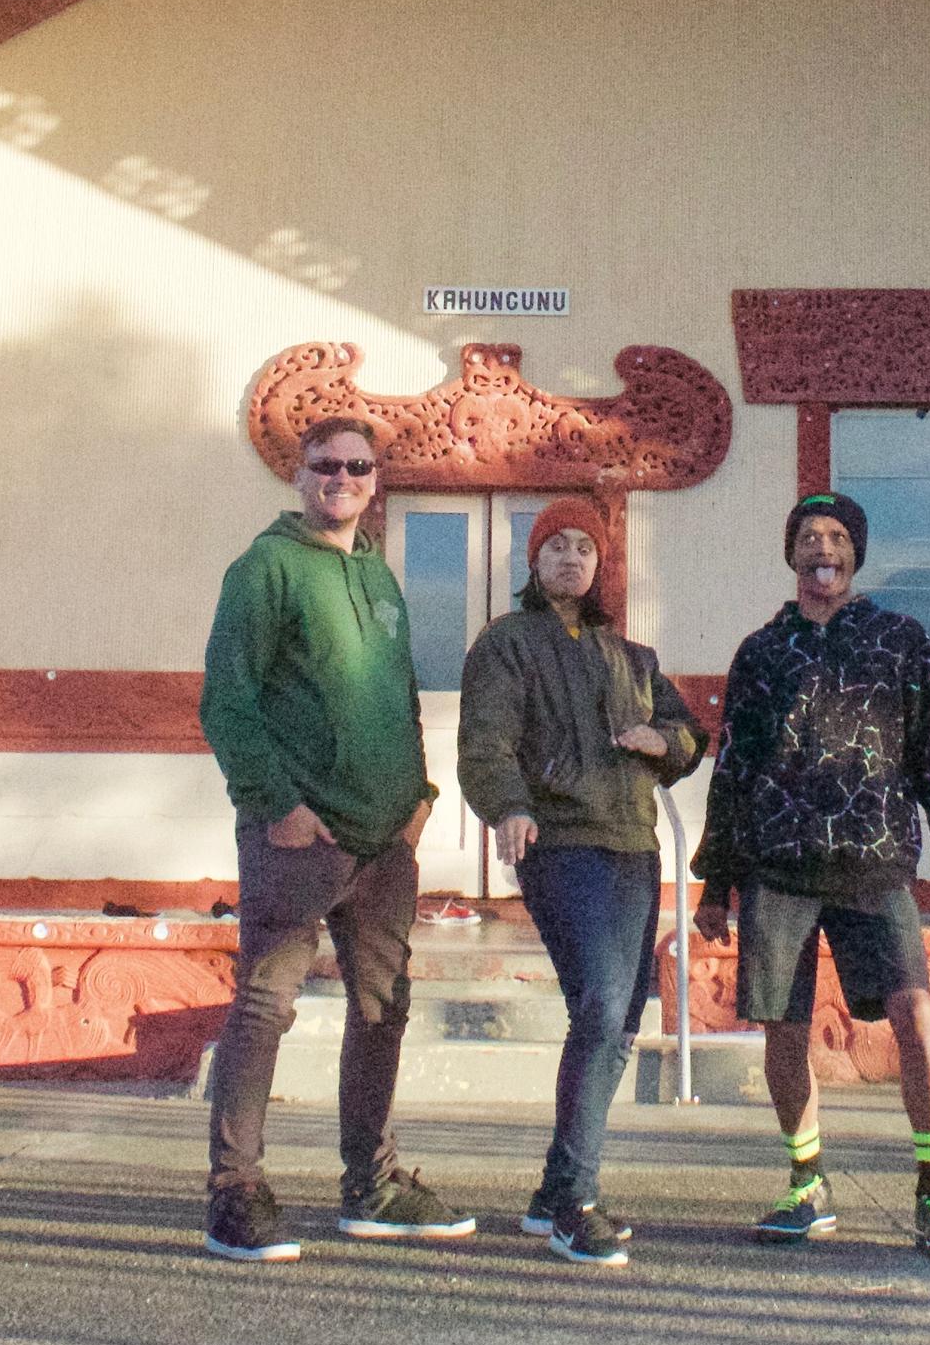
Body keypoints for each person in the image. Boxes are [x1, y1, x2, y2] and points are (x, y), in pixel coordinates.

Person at [195, 416, 477, 1263]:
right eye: (326, 466)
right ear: (299, 474)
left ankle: (373, 1185)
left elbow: (396, 700)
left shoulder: (379, 579)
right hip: (299, 837)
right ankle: (235, 1192)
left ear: (375, 481)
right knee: (264, 1006)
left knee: (383, 1009)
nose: (342, 479)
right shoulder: (265, 570)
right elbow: (227, 703)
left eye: (358, 467)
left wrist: (422, 794)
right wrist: (274, 802)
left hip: (384, 843)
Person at [693, 489, 930, 1257]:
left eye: (836, 537)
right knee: (783, 1032)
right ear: (791, 555)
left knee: (916, 1018)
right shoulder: (760, 652)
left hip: (875, 862)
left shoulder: (898, 639)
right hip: (777, 867)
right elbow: (733, 767)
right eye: (808, 537)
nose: (823, 549)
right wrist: (714, 879)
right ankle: (805, 1184)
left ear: (855, 554)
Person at [456, 496, 709, 1267]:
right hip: (563, 846)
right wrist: (509, 808)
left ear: (601, 565)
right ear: (532, 561)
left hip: (634, 847)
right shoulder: (507, 644)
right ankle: (574, 1202)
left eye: (585, 549)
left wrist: (659, 738)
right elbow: (486, 742)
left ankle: (551, 1193)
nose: (571, 559)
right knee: (600, 1010)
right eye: (556, 546)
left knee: (621, 1019)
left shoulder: (631, 658)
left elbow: (693, 735)